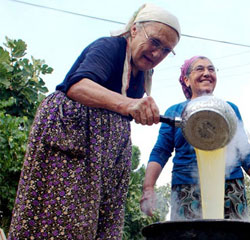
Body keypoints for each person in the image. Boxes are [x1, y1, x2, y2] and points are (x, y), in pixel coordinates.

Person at [8, 3, 180, 239]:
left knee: (101, 224)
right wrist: (129, 104)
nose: (157, 53)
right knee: (62, 221)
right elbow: (78, 87)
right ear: (134, 30)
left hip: (105, 155)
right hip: (72, 142)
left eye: (166, 50)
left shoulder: (141, 74)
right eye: (155, 42)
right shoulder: (109, 47)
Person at [140, 56, 250, 220]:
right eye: (199, 69)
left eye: (211, 69)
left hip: (229, 186)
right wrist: (148, 187)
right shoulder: (175, 112)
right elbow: (160, 151)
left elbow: (244, 152)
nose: (206, 73)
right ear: (186, 80)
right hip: (186, 187)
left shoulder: (229, 110)